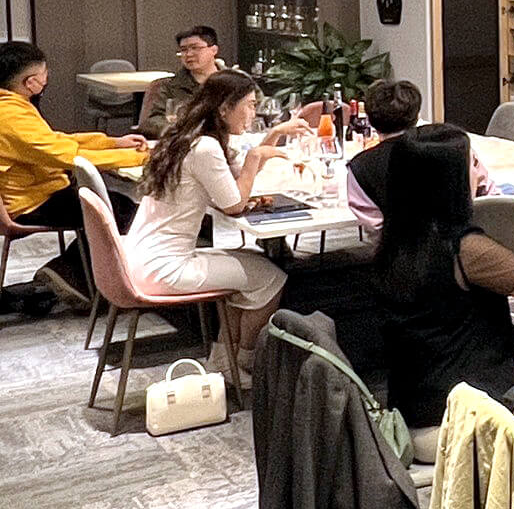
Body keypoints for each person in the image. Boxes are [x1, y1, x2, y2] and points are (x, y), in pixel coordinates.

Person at [373, 123, 514, 430]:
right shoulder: (463, 249)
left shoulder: (395, 243)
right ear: (451, 182)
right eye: (473, 164)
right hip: (461, 422)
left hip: (412, 410)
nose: (481, 174)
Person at [125, 71, 304, 377]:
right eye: (250, 105)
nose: (253, 113)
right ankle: (245, 364)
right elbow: (233, 204)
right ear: (224, 108)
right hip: (165, 268)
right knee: (271, 278)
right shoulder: (205, 147)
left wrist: (271, 138)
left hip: (139, 256)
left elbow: (232, 181)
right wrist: (254, 157)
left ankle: (225, 362)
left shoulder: (186, 137)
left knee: (248, 268)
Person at [0, 39, 145, 307]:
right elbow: (67, 156)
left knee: (115, 205)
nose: (47, 78)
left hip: (38, 192)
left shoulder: (12, 106)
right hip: (32, 202)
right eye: (44, 73)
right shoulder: (10, 116)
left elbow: (57, 141)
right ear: (31, 82)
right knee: (121, 211)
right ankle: (69, 274)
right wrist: (140, 157)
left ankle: (72, 276)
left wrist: (112, 143)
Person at [343, 78, 422, 232]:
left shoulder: (360, 167)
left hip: (396, 245)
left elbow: (374, 224)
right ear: (417, 116)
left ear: (369, 120)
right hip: (454, 242)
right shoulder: (447, 148)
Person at [141, 26, 236, 139]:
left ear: (214, 50)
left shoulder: (235, 82)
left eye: (195, 48)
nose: (189, 54)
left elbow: (253, 113)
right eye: (184, 50)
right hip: (186, 141)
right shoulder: (169, 86)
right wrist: (185, 131)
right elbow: (151, 122)